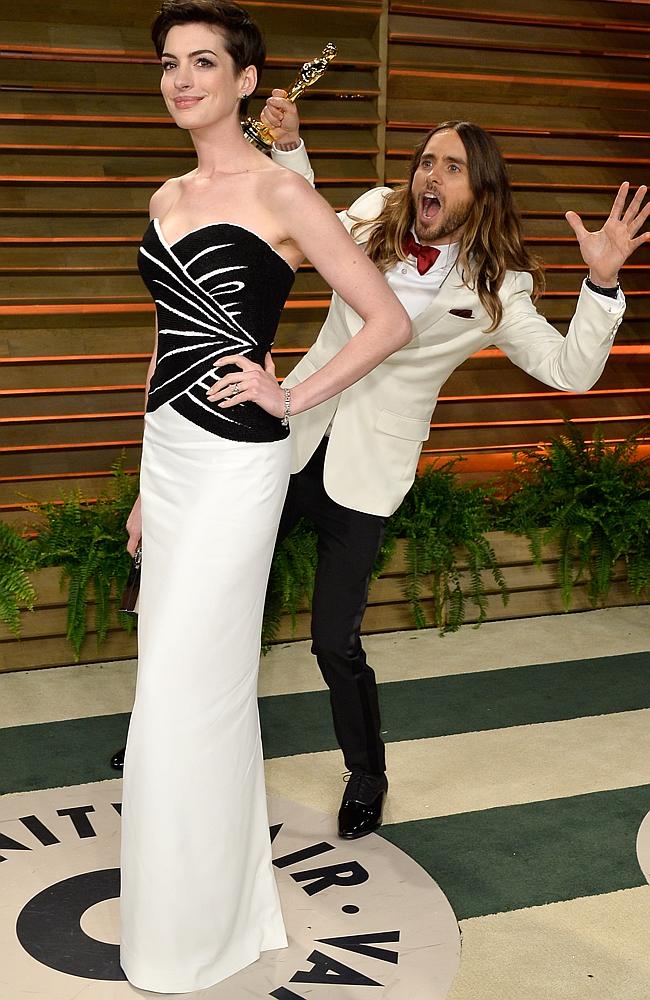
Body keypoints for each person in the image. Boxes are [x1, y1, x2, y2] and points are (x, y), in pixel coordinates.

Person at [253, 93, 649, 841]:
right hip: (290, 434)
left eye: (452, 167)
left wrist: (600, 285)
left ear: (480, 190)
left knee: (333, 641)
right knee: (225, 605)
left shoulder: (496, 288)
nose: (431, 174)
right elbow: (303, 227)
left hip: (368, 475)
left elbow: (570, 372)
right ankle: (175, 745)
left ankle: (367, 772)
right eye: (426, 160)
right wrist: (289, 147)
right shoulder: (374, 212)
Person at [118, 2, 410, 993]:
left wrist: (290, 393)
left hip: (241, 462)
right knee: (167, 679)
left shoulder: (283, 191)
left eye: (203, 62)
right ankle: (196, 912)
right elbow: (163, 344)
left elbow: (382, 320)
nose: (181, 78)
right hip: (171, 460)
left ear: (246, 82)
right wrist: (143, 487)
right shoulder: (165, 193)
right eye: (169, 63)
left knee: (187, 689)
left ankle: (197, 930)